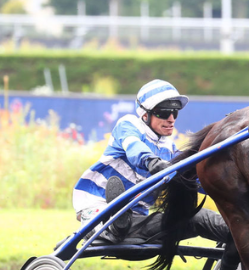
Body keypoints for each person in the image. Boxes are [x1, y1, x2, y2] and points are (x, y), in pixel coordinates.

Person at [72, 79, 230, 244]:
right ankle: (110, 225)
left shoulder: (168, 149)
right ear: (145, 114)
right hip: (96, 206)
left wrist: (223, 187)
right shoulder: (128, 125)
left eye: (174, 112)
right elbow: (135, 148)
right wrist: (152, 162)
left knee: (199, 218)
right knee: (111, 219)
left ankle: (247, 235)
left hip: (137, 221)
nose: (171, 119)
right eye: (164, 112)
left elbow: (194, 181)